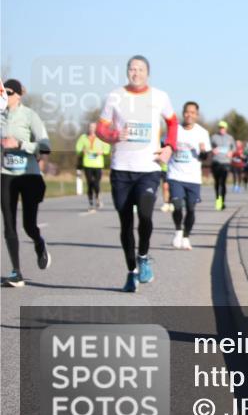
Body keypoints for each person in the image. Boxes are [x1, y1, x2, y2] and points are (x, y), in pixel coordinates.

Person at [96, 55, 178, 292]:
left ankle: (143, 256)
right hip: (121, 168)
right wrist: (112, 136)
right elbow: (101, 127)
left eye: (140, 69)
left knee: (145, 215)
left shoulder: (160, 96)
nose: (136, 73)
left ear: (147, 73)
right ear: (127, 72)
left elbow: (173, 123)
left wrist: (169, 147)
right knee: (125, 223)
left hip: (149, 168)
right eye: (132, 69)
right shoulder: (115, 96)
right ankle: (131, 271)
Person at [1, 79, 52, 287]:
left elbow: (45, 145)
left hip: (29, 175)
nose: (5, 95)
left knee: (28, 225)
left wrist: (20, 144)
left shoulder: (30, 115)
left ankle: (39, 244)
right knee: (8, 223)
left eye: (9, 92)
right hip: (5, 173)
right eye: (3, 92)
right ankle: (16, 272)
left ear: (19, 95)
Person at [167, 101, 211, 250]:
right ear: (183, 113)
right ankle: (178, 230)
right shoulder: (174, 129)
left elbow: (206, 159)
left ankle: (186, 236)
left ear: (197, 115)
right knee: (177, 206)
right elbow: (164, 147)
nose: (189, 115)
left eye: (192, 112)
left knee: (191, 209)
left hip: (193, 178)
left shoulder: (202, 133)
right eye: (187, 112)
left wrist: (204, 151)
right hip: (175, 174)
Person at [75, 122, 111, 211]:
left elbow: (107, 148)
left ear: (96, 128)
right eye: (90, 127)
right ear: (88, 128)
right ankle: (91, 203)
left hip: (98, 164)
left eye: (93, 127)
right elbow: (77, 148)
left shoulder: (101, 137)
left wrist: (102, 152)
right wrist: (82, 150)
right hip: (87, 163)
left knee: (96, 183)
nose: (91, 129)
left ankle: (97, 197)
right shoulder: (83, 137)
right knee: (90, 183)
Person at [211, 120, 235, 210]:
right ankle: (218, 199)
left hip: (226, 162)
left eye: (223, 128)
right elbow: (208, 147)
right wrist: (213, 150)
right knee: (217, 182)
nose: (221, 129)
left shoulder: (230, 138)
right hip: (216, 162)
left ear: (226, 128)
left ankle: (223, 201)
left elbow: (234, 147)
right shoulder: (213, 137)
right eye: (220, 127)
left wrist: (231, 152)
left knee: (223, 182)